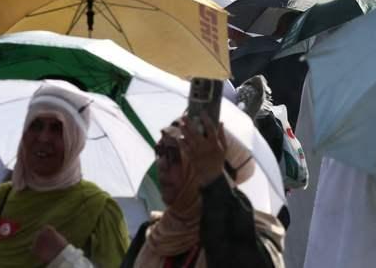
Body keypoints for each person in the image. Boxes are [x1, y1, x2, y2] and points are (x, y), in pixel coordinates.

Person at [0, 80, 128, 267]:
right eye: (36, 125)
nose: (44, 137)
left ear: (76, 138)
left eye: (57, 128)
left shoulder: (100, 209)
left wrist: (65, 258)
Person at [120, 114, 284, 268]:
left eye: (174, 154)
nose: (162, 164)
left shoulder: (254, 239)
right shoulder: (150, 236)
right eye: (160, 151)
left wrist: (215, 181)